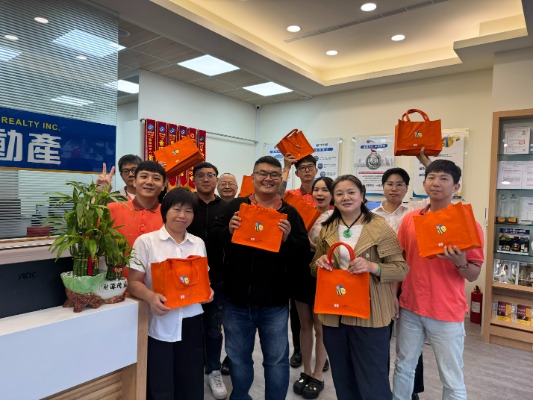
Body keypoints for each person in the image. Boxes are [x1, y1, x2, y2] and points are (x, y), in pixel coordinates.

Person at [213, 155, 309, 400]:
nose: (268, 179)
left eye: (274, 175)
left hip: (274, 304)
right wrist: (228, 232)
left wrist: (288, 240)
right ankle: (240, 396)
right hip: (236, 301)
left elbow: (301, 254)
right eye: (263, 173)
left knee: (276, 360)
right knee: (238, 358)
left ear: (280, 179)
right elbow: (214, 241)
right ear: (253, 177)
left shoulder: (290, 213)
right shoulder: (235, 207)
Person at [392, 160, 484, 400]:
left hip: (446, 311)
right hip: (411, 307)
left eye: (444, 178)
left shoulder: (468, 224)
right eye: (431, 177)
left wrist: (460, 262)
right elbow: (400, 262)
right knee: (403, 367)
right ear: (424, 184)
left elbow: (473, 274)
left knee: (451, 378)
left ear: (456, 187)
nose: (436, 183)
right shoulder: (411, 220)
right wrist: (393, 296)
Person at [312, 175, 408, 400]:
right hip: (335, 315)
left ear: (362, 195)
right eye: (339, 193)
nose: (345, 197)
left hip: (370, 315)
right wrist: (319, 264)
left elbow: (401, 269)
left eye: (351, 192)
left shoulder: (380, 227)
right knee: (342, 378)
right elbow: (313, 268)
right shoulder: (328, 228)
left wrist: (373, 266)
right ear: (333, 199)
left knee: (373, 380)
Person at [128, 187, 214, 400]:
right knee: (161, 384)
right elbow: (134, 282)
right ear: (165, 210)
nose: (182, 215)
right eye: (177, 209)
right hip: (160, 322)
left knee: (191, 382)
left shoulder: (198, 243)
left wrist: (207, 291)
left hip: (192, 321)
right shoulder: (146, 242)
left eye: (189, 211)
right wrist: (151, 297)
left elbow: (203, 280)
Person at [372, 152, 431, 400]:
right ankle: (381, 387)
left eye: (400, 184)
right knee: (380, 337)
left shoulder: (415, 211)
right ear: (383, 187)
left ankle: (411, 390)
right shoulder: (372, 215)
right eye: (390, 184)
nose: (394, 188)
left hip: (410, 279)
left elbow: (439, 193)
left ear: (407, 188)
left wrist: (424, 160)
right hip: (381, 279)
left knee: (411, 342)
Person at [187, 162, 228, 400]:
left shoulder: (227, 207)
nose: (205, 179)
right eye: (200, 175)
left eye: (210, 175)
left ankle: (213, 369)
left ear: (216, 179)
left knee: (213, 329)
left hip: (217, 279)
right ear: (193, 179)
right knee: (190, 328)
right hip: (186, 278)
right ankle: (192, 369)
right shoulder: (187, 204)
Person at [292, 177, 334, 399]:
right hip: (301, 270)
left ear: (332, 194)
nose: (319, 193)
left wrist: (307, 242)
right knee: (304, 325)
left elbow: (332, 248)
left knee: (320, 326)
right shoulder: (303, 213)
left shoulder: (337, 217)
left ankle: (318, 374)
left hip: (324, 272)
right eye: (316, 189)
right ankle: (306, 370)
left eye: (325, 190)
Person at [281, 153, 319, 367]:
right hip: (297, 255)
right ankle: (298, 349)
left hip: (321, 255)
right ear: (297, 173)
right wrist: (286, 168)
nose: (306, 171)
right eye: (302, 168)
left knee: (320, 309)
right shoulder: (290, 195)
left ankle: (322, 352)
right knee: (297, 309)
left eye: (310, 167)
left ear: (316, 170)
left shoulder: (324, 192)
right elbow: (277, 196)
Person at [107, 161, 167, 278]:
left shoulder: (169, 214)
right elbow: (85, 227)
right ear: (134, 181)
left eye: (156, 178)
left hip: (157, 284)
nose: (149, 182)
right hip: (118, 283)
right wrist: (99, 193)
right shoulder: (112, 209)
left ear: (164, 185)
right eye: (144, 177)